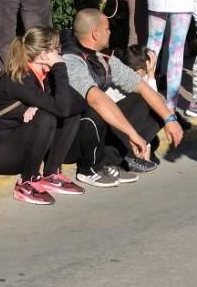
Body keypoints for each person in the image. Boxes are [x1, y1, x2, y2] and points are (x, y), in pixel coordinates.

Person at [62, 9, 184, 183]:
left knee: (151, 102)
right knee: (96, 109)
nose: (110, 32)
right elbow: (96, 99)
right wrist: (133, 134)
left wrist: (169, 119)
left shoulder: (103, 58)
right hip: (71, 137)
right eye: (107, 29)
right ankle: (89, 169)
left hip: (96, 130)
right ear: (95, 34)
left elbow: (141, 87)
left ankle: (111, 161)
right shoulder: (71, 60)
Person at [0, 27, 87, 205]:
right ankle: (27, 182)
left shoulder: (44, 76)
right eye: (56, 49)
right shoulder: (19, 79)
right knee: (47, 116)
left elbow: (78, 103)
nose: (60, 53)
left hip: (15, 147)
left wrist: (39, 104)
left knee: (69, 114)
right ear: (43, 54)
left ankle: (51, 174)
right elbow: (60, 108)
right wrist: (60, 66)